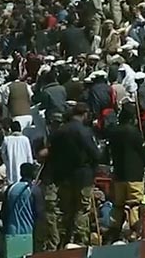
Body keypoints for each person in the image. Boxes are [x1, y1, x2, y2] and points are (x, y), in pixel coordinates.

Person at [47, 104, 99, 246]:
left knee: (66, 209)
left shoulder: (59, 131)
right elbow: (95, 154)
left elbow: (51, 155)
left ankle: (64, 239)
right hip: (83, 175)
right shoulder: (84, 131)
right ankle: (79, 239)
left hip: (64, 176)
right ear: (85, 114)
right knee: (82, 209)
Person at [106, 104, 145, 239]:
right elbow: (143, 153)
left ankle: (114, 230)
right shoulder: (134, 132)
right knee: (134, 203)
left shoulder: (114, 132)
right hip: (134, 174)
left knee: (118, 205)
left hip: (119, 173)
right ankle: (134, 231)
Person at [4, 163, 44, 236]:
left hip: (11, 232)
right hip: (29, 232)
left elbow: (4, 212)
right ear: (32, 173)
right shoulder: (34, 190)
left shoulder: (11, 188)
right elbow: (39, 214)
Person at [1, 120, 34, 185]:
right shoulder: (25, 139)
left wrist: (7, 163)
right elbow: (29, 155)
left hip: (11, 166)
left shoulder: (7, 139)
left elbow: (3, 154)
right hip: (24, 167)